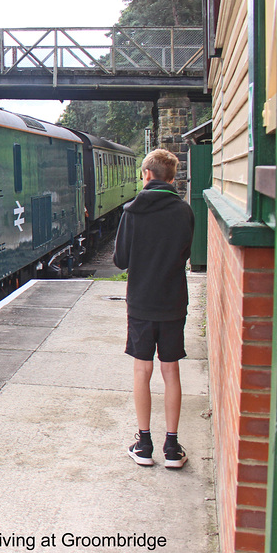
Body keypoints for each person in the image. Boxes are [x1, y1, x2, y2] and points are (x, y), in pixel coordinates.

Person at [113, 148, 194, 469]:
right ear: (172, 178)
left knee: (142, 370)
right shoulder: (184, 211)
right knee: (170, 370)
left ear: (146, 174)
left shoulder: (131, 212)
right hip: (173, 301)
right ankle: (172, 448)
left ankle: (144, 444)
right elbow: (186, 253)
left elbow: (120, 261)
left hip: (142, 302)